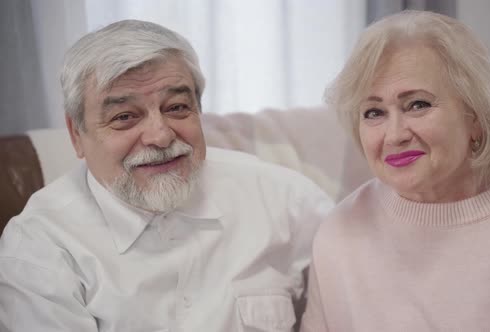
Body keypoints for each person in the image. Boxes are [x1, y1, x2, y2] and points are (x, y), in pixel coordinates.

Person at [0, 20, 334, 331]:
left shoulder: (283, 198)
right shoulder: (40, 247)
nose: (160, 136)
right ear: (76, 134)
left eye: (176, 108)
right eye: (125, 117)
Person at [301, 10, 490, 332]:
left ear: (476, 116)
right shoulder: (340, 232)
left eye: (417, 105)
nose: (394, 135)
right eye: (374, 112)